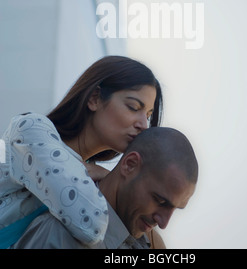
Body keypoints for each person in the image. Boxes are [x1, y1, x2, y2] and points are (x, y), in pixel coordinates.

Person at [0, 56, 163, 249]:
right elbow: (90, 226)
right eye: (133, 107)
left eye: (148, 115)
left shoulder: (87, 182)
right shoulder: (30, 129)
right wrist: (104, 177)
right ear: (94, 98)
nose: (143, 124)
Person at [12, 127, 198, 249]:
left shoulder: (154, 245)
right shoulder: (59, 235)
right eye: (160, 200)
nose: (164, 222)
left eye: (175, 208)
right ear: (129, 165)